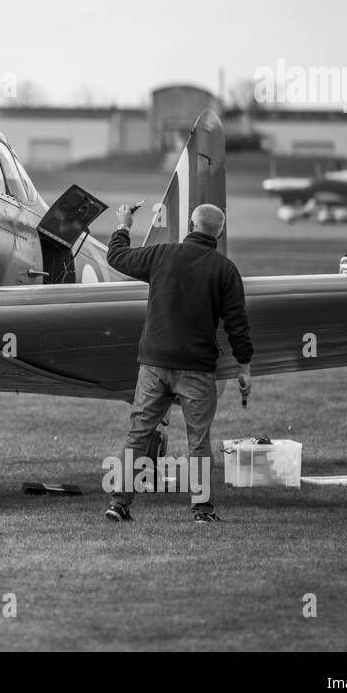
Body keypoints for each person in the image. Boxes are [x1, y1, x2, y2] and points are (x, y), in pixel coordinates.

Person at [103, 203, 254, 523]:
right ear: (220, 232)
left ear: (189, 225)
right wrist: (244, 366)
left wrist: (123, 226)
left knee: (138, 433)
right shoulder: (225, 269)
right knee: (198, 441)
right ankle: (202, 509)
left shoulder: (161, 254)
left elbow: (116, 257)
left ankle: (118, 503)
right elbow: (237, 324)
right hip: (197, 369)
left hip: (154, 363)